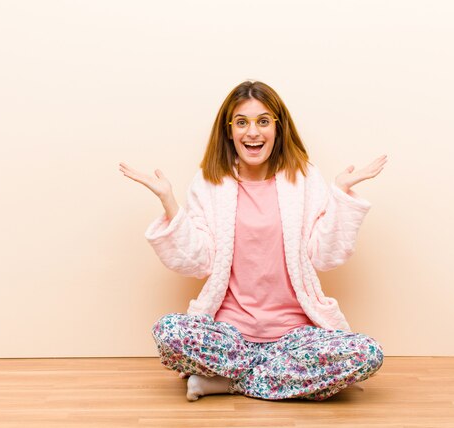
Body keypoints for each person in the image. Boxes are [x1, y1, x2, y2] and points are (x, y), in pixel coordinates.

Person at [119, 80, 387, 402]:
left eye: (263, 121)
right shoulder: (209, 182)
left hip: (295, 336)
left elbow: (324, 256)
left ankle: (225, 381)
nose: (253, 132)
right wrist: (169, 203)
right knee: (167, 331)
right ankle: (283, 378)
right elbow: (198, 262)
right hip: (230, 334)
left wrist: (341, 195)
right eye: (242, 122)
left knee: (367, 353)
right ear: (229, 130)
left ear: (278, 127)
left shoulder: (303, 178)